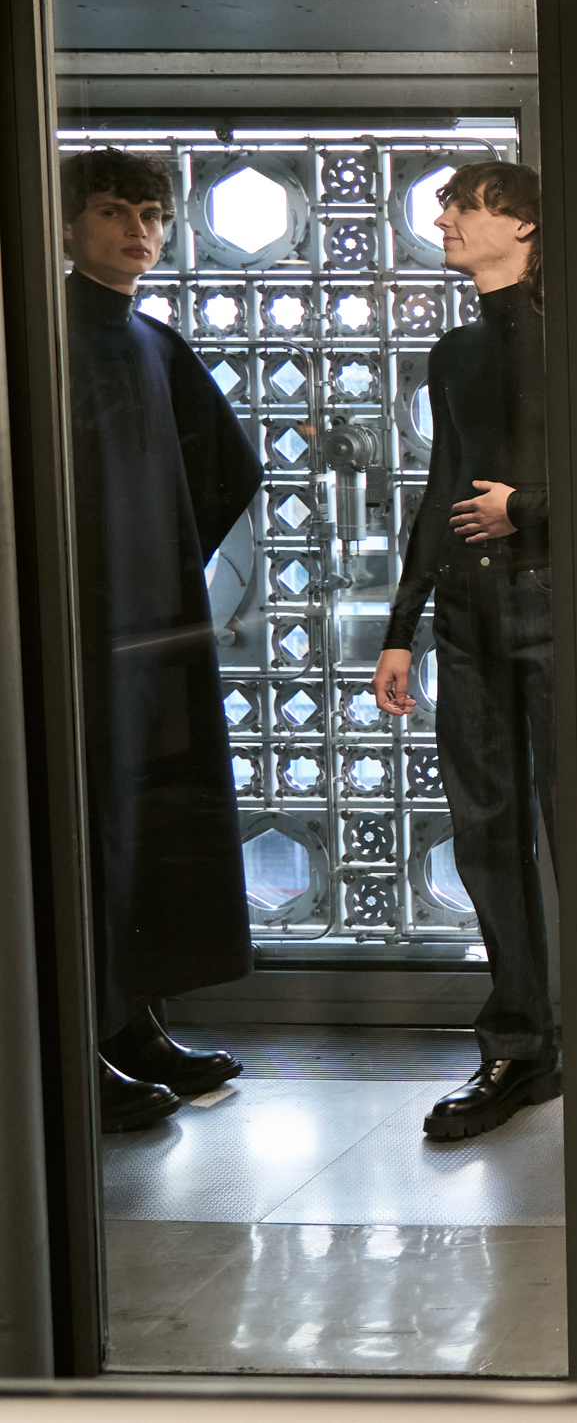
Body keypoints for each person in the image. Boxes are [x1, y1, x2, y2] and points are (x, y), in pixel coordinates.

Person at [374, 160, 577, 1141]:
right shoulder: (455, 353)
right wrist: (399, 626)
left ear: (520, 223)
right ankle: (518, 1044)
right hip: (466, 623)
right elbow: (439, 490)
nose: (444, 218)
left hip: (562, 614)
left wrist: (529, 509)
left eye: (461, 205)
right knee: (487, 835)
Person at [60, 148, 261, 1133]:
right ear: (65, 225)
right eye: (109, 211)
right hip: (79, 638)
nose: (134, 230)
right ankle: (76, 1041)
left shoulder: (151, 340)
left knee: (142, 826)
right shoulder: (44, 338)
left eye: (150, 213)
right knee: (85, 829)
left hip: (148, 633)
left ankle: (129, 1021)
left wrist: (161, 564)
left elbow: (229, 468)